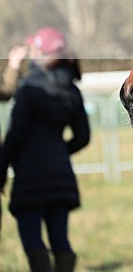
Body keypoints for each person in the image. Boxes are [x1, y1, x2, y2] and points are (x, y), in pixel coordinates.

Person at [0, 27, 90, 272]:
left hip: (29, 176)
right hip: (60, 173)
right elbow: (83, 137)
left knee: (32, 238)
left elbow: (15, 135)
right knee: (60, 239)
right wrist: (59, 152)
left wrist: (3, 165)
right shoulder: (72, 90)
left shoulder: (29, 87)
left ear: (41, 53)